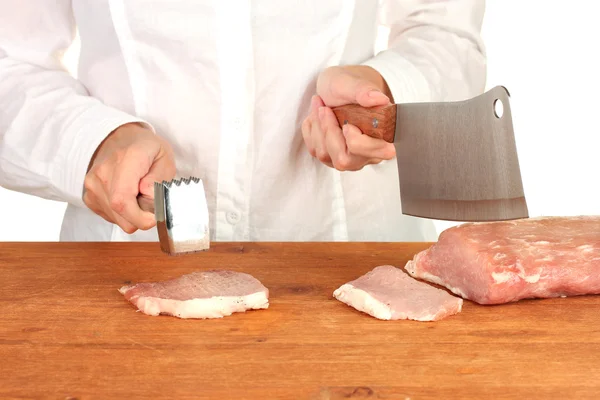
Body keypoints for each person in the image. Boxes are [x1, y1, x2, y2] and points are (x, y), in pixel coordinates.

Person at [0, 1, 486, 243]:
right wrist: (91, 143)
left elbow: (445, 32)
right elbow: (9, 60)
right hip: (123, 263)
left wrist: (383, 90)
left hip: (354, 264)